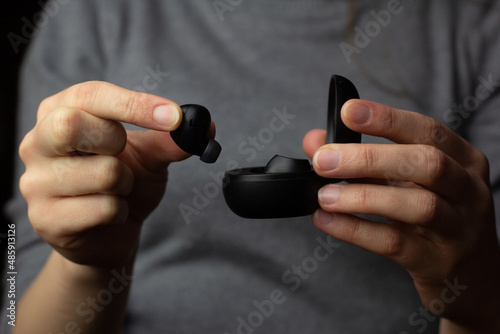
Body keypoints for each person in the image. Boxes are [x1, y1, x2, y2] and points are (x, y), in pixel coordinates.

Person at [2, 0, 500, 333]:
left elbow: (483, 300)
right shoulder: (91, 13)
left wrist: (474, 299)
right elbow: (13, 309)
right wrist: (89, 264)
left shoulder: (477, 28)